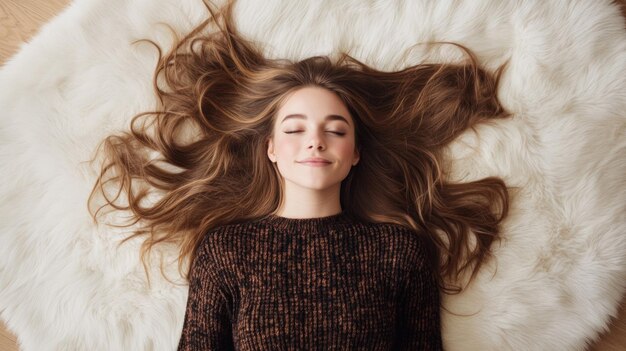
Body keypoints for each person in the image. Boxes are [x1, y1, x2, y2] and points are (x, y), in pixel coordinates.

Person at [87, 0, 511, 349]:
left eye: (335, 129)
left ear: (356, 152)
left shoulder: (399, 254)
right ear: (270, 149)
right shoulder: (225, 252)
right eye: (294, 129)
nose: (315, 141)